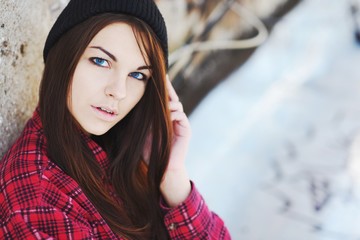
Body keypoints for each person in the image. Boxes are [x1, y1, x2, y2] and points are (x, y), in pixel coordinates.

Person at [0, 0, 231, 239]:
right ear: (64, 56)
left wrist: (170, 173)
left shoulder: (120, 150)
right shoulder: (38, 202)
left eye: (137, 74)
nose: (118, 91)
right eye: (101, 61)